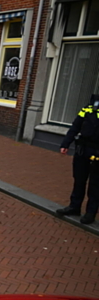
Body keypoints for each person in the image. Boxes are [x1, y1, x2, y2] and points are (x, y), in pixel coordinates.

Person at [56, 94, 99, 224]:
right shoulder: (89, 107)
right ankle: (74, 207)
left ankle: (90, 213)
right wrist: (65, 144)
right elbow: (75, 126)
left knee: (95, 184)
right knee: (79, 180)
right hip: (82, 150)